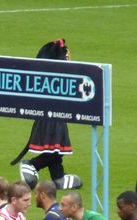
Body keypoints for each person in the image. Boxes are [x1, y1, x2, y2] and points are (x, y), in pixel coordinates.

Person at [12, 39, 81, 190]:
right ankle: (33, 164)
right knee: (55, 149)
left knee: (56, 148)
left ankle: (58, 177)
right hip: (51, 117)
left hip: (56, 115)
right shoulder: (53, 76)